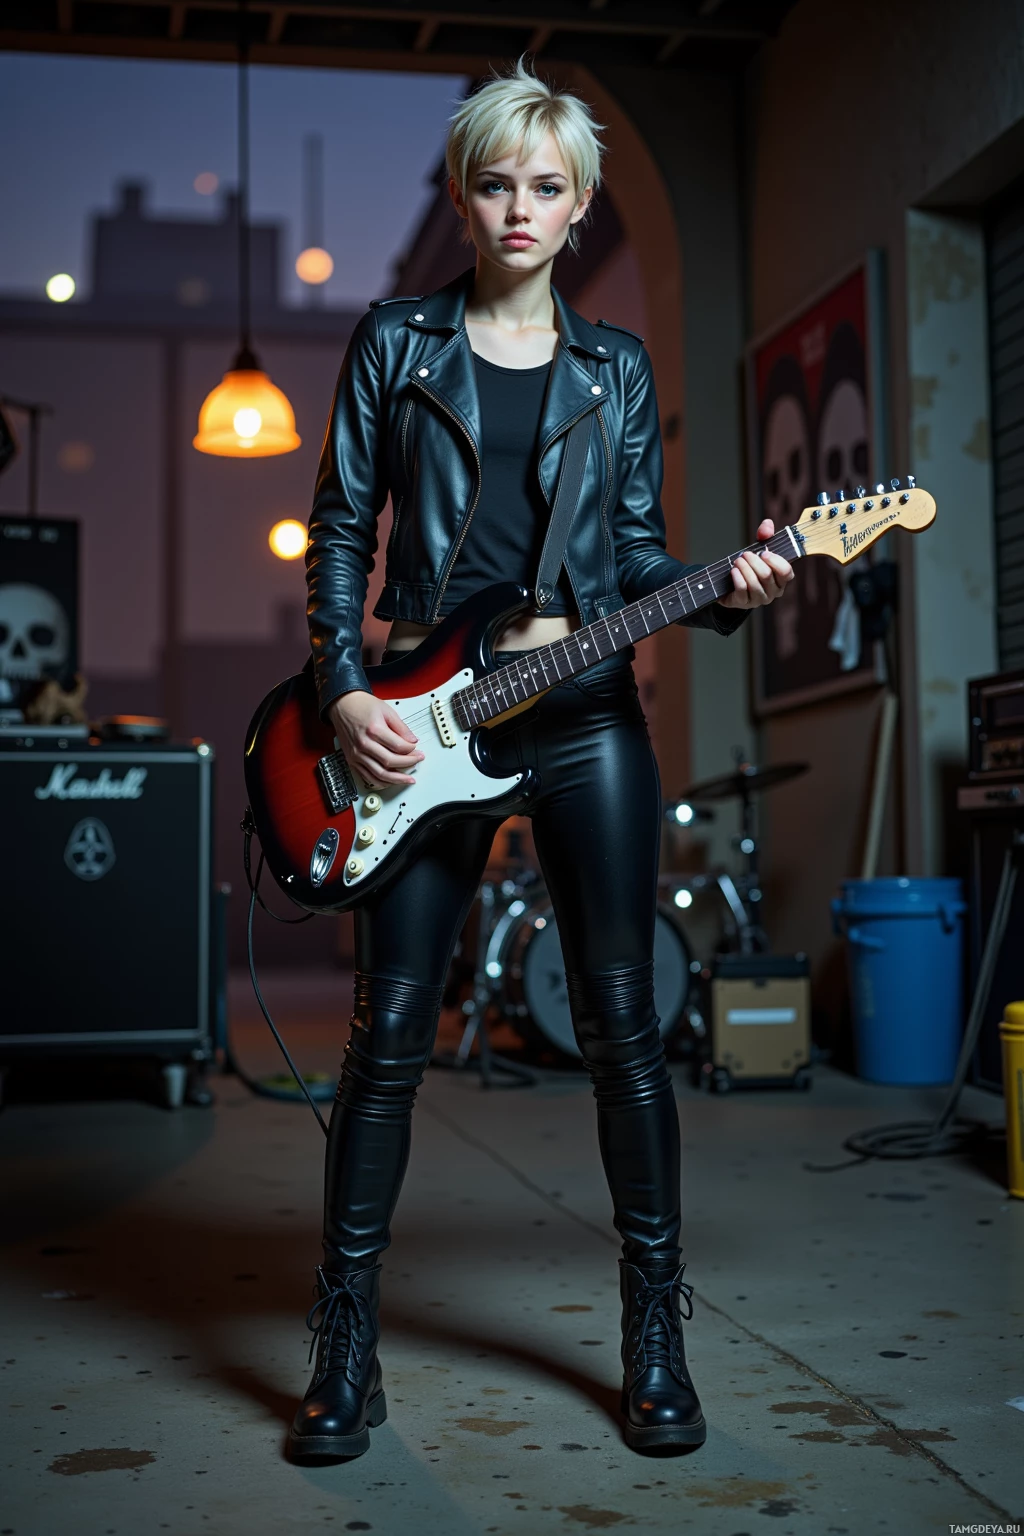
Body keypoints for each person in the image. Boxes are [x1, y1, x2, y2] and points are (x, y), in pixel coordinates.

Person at [291, 57, 794, 1462]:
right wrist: (342, 691)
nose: (521, 207)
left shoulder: (614, 367)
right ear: (465, 198)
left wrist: (726, 586)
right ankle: (344, 1344)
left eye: (549, 187)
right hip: (423, 718)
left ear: (579, 210)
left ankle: (654, 1335)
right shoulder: (396, 343)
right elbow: (341, 527)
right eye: (497, 183)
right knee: (390, 1032)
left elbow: (633, 553)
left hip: (581, 713)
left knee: (626, 1025)